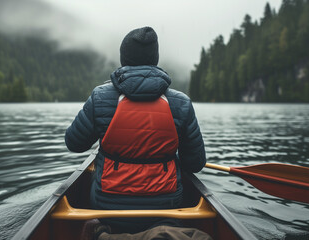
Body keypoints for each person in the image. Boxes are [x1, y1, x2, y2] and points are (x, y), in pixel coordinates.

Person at [65, 26, 206, 235]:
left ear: (124, 57)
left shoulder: (100, 97)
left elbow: (74, 144)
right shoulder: (181, 103)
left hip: (107, 205)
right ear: (155, 58)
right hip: (165, 206)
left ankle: (102, 233)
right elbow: (195, 164)